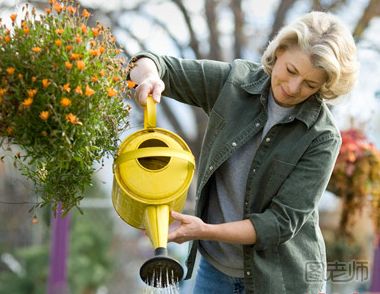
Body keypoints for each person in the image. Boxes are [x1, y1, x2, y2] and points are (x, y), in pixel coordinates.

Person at [128, 11, 358, 294]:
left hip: (282, 282)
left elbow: (279, 224)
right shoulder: (233, 83)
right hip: (216, 273)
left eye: (310, 85)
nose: (293, 87)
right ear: (280, 51)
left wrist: (204, 231)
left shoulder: (321, 137)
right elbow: (150, 62)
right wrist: (150, 77)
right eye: (291, 71)